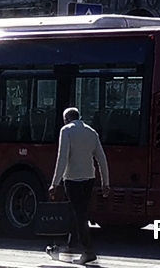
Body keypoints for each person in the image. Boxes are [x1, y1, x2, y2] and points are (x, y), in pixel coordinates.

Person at [47, 107, 110, 265]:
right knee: (79, 212)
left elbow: (62, 158)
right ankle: (69, 245)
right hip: (89, 178)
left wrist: (55, 183)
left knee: (78, 214)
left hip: (72, 179)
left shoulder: (66, 131)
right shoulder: (91, 132)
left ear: (66, 119)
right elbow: (102, 158)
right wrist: (105, 183)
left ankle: (88, 250)